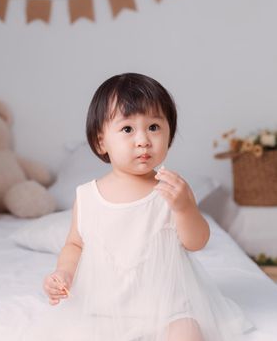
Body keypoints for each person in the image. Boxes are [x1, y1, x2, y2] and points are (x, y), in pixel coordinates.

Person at [25, 73, 253, 341]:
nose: (143, 140)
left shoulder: (171, 189)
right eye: (127, 129)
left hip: (169, 304)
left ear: (169, 133)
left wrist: (183, 209)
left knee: (188, 333)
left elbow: (197, 241)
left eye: (154, 127)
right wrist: (63, 273)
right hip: (105, 307)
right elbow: (75, 245)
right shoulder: (88, 197)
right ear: (101, 142)